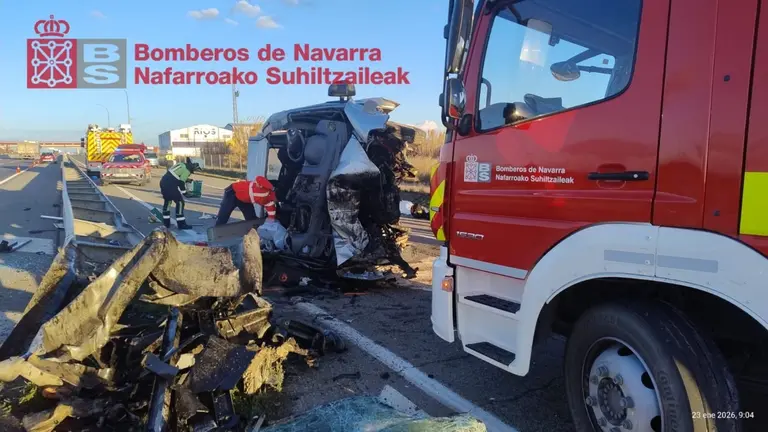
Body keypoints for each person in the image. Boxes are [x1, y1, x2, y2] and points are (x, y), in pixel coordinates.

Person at [160, 157, 199, 230]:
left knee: (167, 202)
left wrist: (187, 179)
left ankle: (166, 223)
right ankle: (181, 224)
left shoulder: (182, 164)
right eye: (196, 168)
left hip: (164, 182)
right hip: (170, 186)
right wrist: (185, 193)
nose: (195, 170)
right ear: (193, 165)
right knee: (180, 203)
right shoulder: (187, 170)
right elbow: (181, 183)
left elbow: (176, 176)